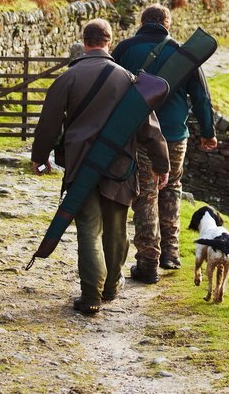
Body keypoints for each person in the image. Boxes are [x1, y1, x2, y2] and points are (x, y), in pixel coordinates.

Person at [31, 18, 169, 314]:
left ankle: (91, 294)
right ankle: (111, 287)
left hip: (81, 165)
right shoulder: (128, 79)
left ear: (85, 42)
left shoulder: (68, 78)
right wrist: (162, 165)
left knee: (88, 229)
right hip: (119, 167)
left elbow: (48, 124)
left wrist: (40, 157)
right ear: (109, 41)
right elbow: (150, 129)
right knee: (117, 230)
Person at [111, 4, 217, 283]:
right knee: (171, 188)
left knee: (146, 193)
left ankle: (148, 260)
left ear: (142, 22)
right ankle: (170, 253)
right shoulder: (183, 54)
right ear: (167, 24)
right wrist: (208, 133)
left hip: (139, 133)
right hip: (174, 135)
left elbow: (110, 87)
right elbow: (202, 98)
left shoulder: (124, 49)